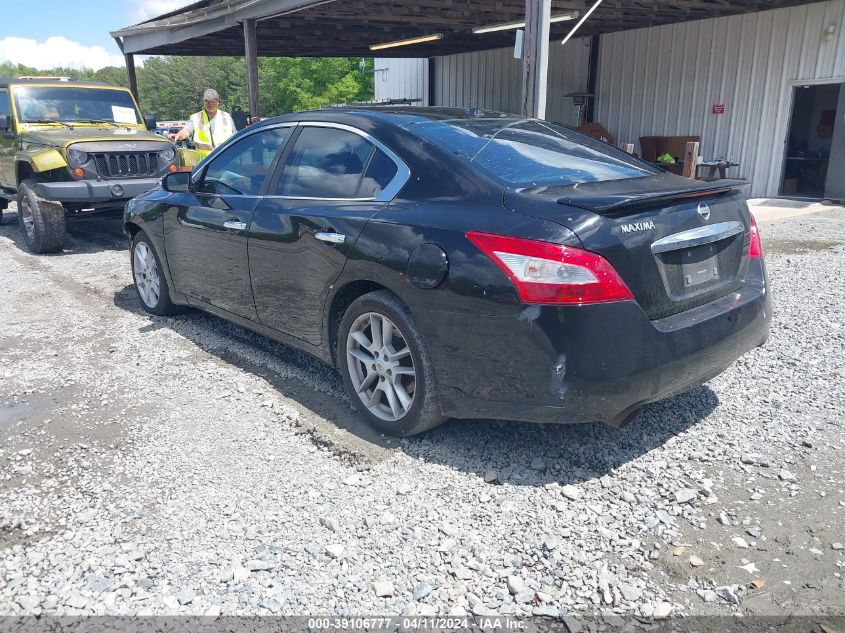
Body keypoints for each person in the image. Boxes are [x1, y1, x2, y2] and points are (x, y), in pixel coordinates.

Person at [170, 89, 237, 158]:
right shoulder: (196, 117)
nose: (209, 103)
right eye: (206, 101)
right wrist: (177, 135)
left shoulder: (227, 116)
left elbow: (236, 138)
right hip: (205, 162)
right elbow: (186, 131)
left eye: (211, 101)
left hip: (225, 160)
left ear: (218, 102)